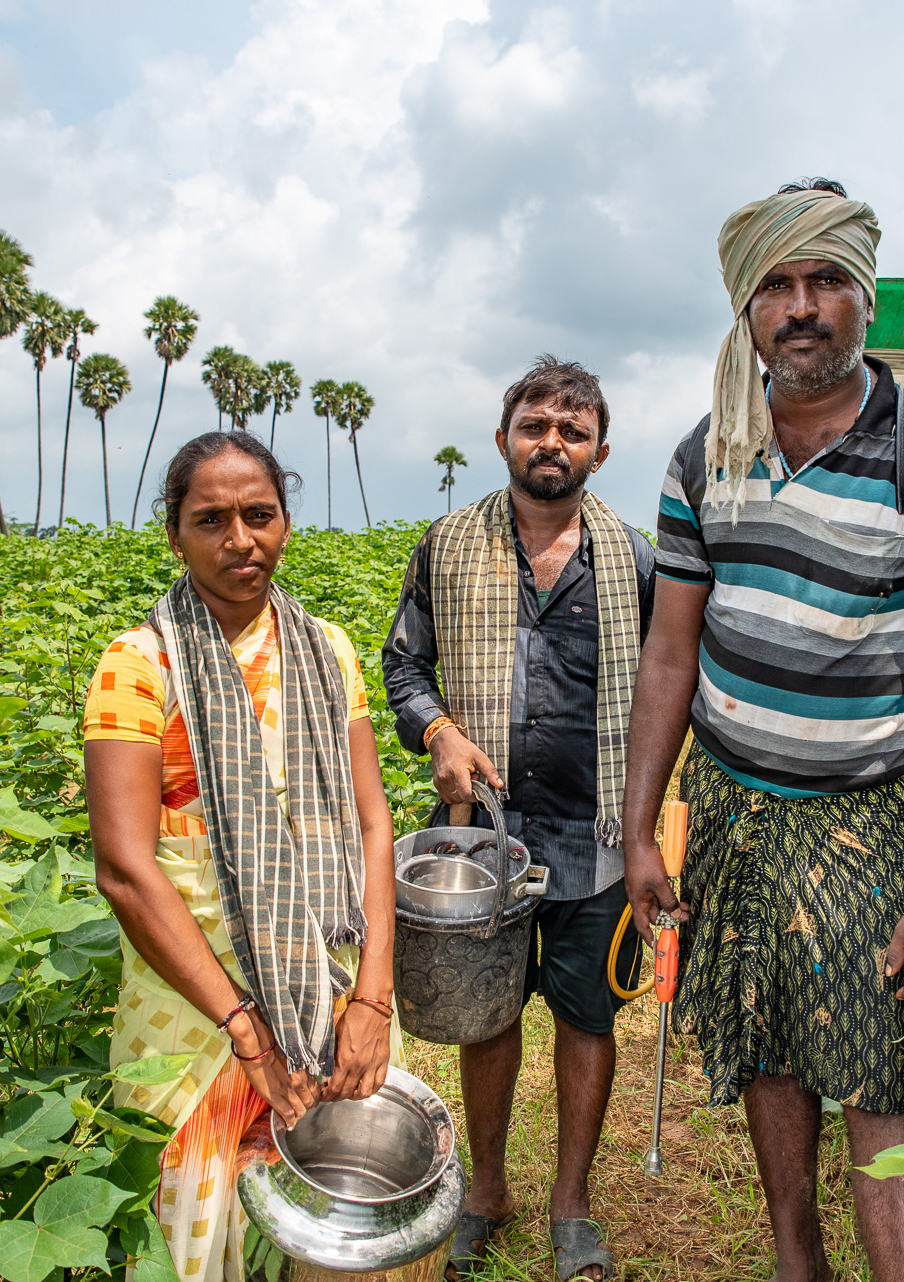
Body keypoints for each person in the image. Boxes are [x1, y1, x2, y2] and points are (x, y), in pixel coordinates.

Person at [618, 180, 904, 1282]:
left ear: (865, 300)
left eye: (827, 280)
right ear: (746, 311)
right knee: (766, 1044)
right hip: (739, 807)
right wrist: (642, 825)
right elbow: (669, 654)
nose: (803, 306)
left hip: (878, 813)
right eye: (778, 286)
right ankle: (798, 1259)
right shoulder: (707, 458)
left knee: (881, 1073)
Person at [84, 432, 401, 1282]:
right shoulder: (137, 667)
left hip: (330, 983)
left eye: (259, 516)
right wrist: (242, 1025)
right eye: (210, 520)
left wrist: (372, 996)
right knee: (196, 1216)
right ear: (174, 535)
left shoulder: (326, 651)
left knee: (328, 1218)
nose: (240, 541)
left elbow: (373, 822)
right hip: (192, 1000)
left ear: (286, 522)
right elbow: (125, 867)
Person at [382, 356, 655, 1282]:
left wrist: (664, 826)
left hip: (599, 837)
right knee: (486, 1011)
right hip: (480, 833)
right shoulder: (447, 544)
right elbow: (404, 667)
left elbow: (669, 691)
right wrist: (440, 732)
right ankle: (485, 1191)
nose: (553, 443)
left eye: (573, 432)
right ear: (504, 439)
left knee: (587, 1020)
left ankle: (570, 1206)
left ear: (600, 451)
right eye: (536, 425)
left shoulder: (640, 558)